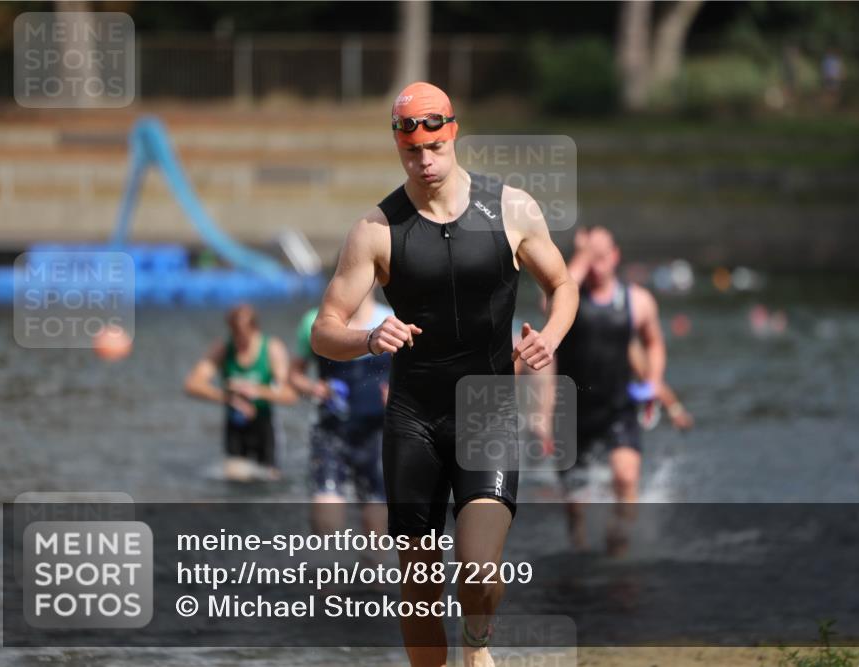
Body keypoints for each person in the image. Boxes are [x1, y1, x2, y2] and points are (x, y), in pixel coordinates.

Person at [311, 81, 578, 667]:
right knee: (420, 589)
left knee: (479, 574)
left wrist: (550, 337)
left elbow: (562, 285)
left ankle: (477, 649)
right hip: (412, 419)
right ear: (398, 147)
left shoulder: (510, 208)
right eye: (412, 152)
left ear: (453, 132)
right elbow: (322, 329)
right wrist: (366, 337)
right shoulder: (377, 230)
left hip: (486, 411)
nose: (425, 162)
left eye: (434, 147)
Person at [553, 226, 678, 554]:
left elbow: (654, 344)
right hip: (573, 410)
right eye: (591, 258)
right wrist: (582, 252)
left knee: (625, 476)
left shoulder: (637, 300)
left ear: (615, 256)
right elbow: (550, 298)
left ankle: (618, 545)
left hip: (617, 406)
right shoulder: (569, 299)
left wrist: (653, 382)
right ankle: (579, 550)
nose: (597, 263)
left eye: (602, 255)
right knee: (576, 506)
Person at [291, 288, 392, 539]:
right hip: (331, 432)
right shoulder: (315, 323)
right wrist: (314, 387)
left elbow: (416, 374)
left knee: (376, 530)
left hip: (377, 434)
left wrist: (399, 393)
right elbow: (293, 375)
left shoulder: (391, 320)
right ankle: (328, 574)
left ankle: (373, 574)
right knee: (326, 524)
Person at [183, 303, 296, 481]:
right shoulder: (223, 348)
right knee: (235, 480)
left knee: (270, 480)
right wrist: (228, 398)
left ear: (255, 329)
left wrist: (256, 391)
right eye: (235, 335)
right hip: (235, 425)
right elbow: (192, 384)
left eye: (244, 336)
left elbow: (290, 394)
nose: (240, 343)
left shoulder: (272, 348)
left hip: (263, 424)